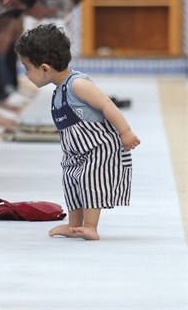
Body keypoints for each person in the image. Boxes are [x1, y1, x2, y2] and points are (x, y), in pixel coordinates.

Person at [14, 24, 140, 241]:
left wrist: (125, 132)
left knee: (90, 181)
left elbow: (107, 105)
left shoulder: (77, 84)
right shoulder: (58, 91)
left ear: (45, 68)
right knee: (71, 180)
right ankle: (74, 225)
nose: (25, 74)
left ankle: (90, 226)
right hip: (76, 152)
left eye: (27, 68)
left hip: (99, 149)